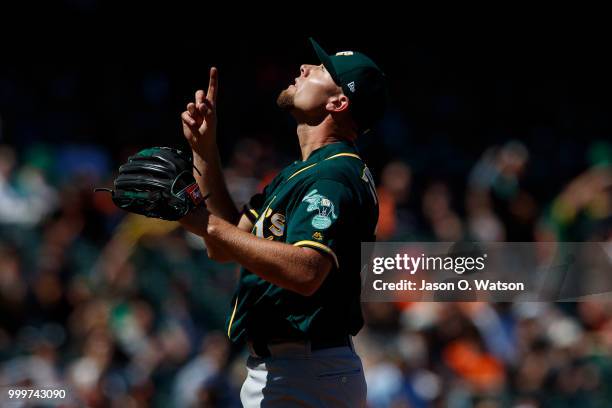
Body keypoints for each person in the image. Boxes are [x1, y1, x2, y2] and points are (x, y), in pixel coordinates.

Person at [179, 38, 386, 407]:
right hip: (295, 369)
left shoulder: (333, 176)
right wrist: (204, 150)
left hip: (304, 370)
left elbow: (308, 271)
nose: (305, 68)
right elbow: (224, 244)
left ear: (338, 103)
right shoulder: (304, 172)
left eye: (322, 70)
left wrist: (202, 223)